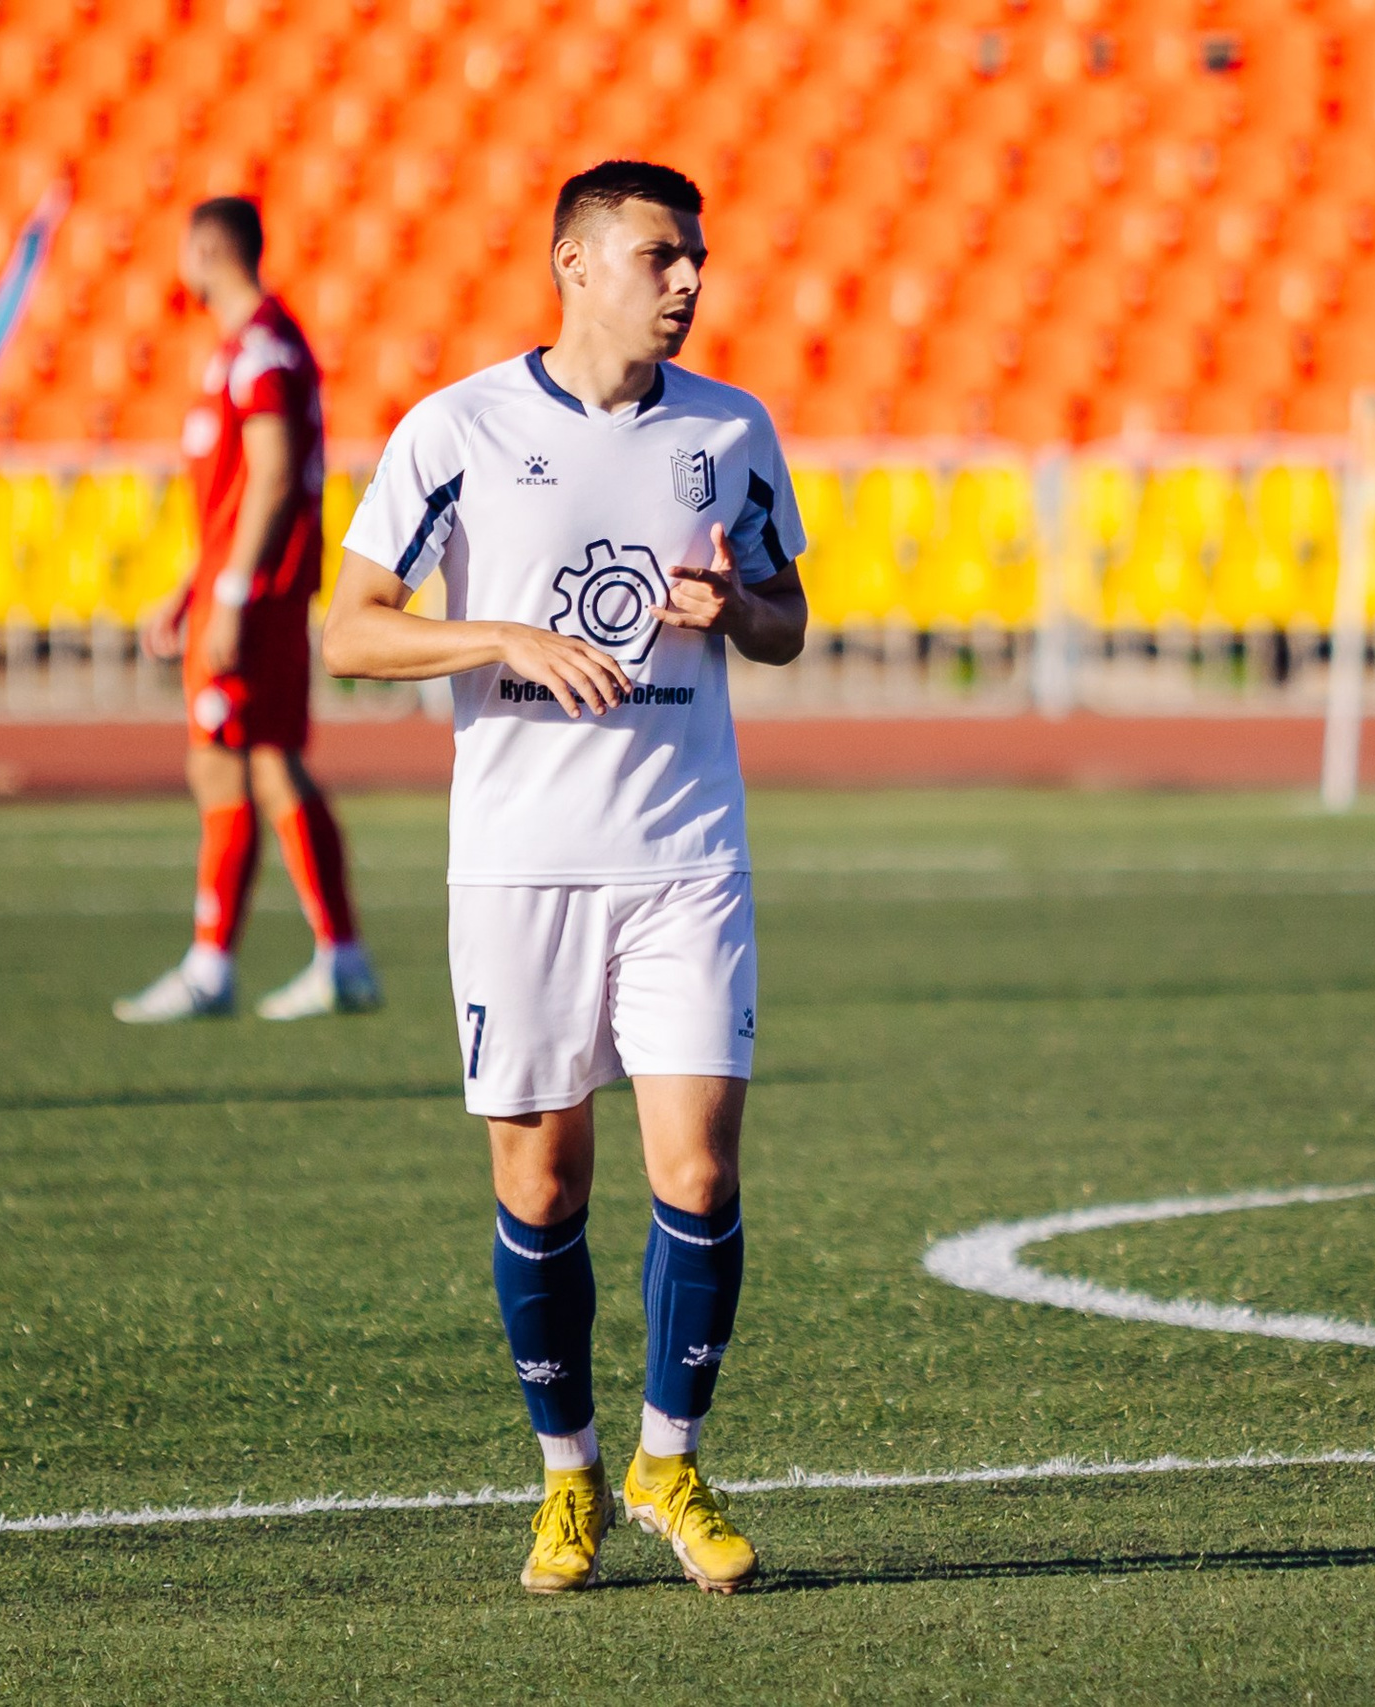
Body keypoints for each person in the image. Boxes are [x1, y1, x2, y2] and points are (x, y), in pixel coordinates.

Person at [324, 160, 809, 1594]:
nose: (689, 281)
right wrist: (499, 639)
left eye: (698, 258)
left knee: (700, 1165)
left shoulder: (730, 429)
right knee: (541, 1184)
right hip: (522, 866)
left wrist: (740, 604)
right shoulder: (458, 428)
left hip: (685, 856)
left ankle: (673, 1454)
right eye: (662, 255)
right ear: (577, 263)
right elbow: (349, 631)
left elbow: (786, 617)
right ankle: (570, 1473)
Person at [116, 197, 378, 1023]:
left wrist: (227, 594)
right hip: (243, 585)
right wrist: (193, 586)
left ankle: (221, 961)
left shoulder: (260, 350)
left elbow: (269, 477)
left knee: (241, 762)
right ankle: (322, 956)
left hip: (256, 593)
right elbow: (235, 494)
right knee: (252, 760)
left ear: (204, 250)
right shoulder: (251, 346)